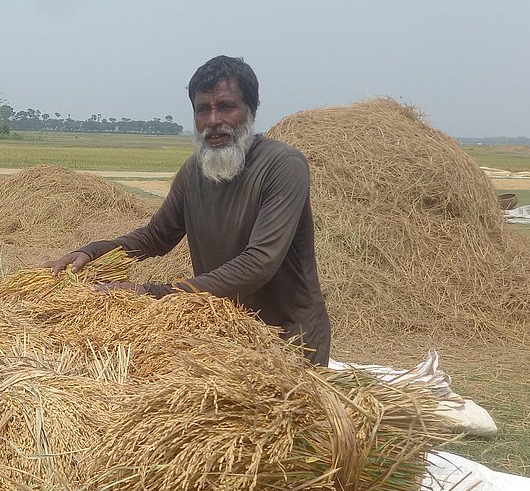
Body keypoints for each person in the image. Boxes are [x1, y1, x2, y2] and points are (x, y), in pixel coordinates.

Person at [45, 55, 331, 364]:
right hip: (229, 332)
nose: (212, 121)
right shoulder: (195, 171)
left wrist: (156, 292)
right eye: (202, 109)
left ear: (251, 111)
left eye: (225, 107)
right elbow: (156, 237)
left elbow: (259, 261)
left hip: (290, 339)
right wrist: (92, 252)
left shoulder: (282, 166)